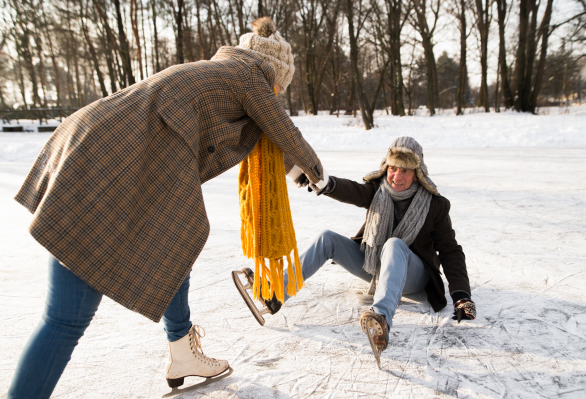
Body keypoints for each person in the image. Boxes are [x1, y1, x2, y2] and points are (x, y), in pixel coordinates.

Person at [8, 17, 328, 397]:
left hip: (94, 139)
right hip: (113, 160)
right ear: (275, 74)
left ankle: (181, 349)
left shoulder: (221, 71)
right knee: (65, 318)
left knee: (177, 233)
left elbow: (267, 136)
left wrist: (294, 172)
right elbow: (282, 129)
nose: (275, 94)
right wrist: (317, 172)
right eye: (279, 88)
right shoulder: (249, 75)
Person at [259, 136, 476, 355]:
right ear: (386, 167)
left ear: (417, 175)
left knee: (394, 245)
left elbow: (450, 250)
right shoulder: (377, 191)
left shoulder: (435, 205)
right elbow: (352, 191)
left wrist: (461, 295)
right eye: (393, 168)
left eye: (405, 171)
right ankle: (276, 294)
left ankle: (380, 317)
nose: (397, 176)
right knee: (327, 238)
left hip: (414, 277)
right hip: (376, 266)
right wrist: (325, 183)